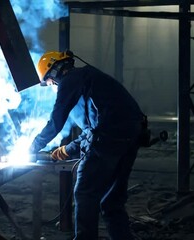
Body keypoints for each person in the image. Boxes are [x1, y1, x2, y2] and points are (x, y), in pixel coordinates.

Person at [29, 50, 145, 240]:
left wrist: (32, 147)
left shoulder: (70, 80)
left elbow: (56, 122)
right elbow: (95, 126)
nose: (51, 86)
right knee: (111, 202)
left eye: (49, 82)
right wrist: (68, 149)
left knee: (84, 193)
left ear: (55, 71)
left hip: (108, 140)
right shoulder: (89, 77)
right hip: (131, 137)